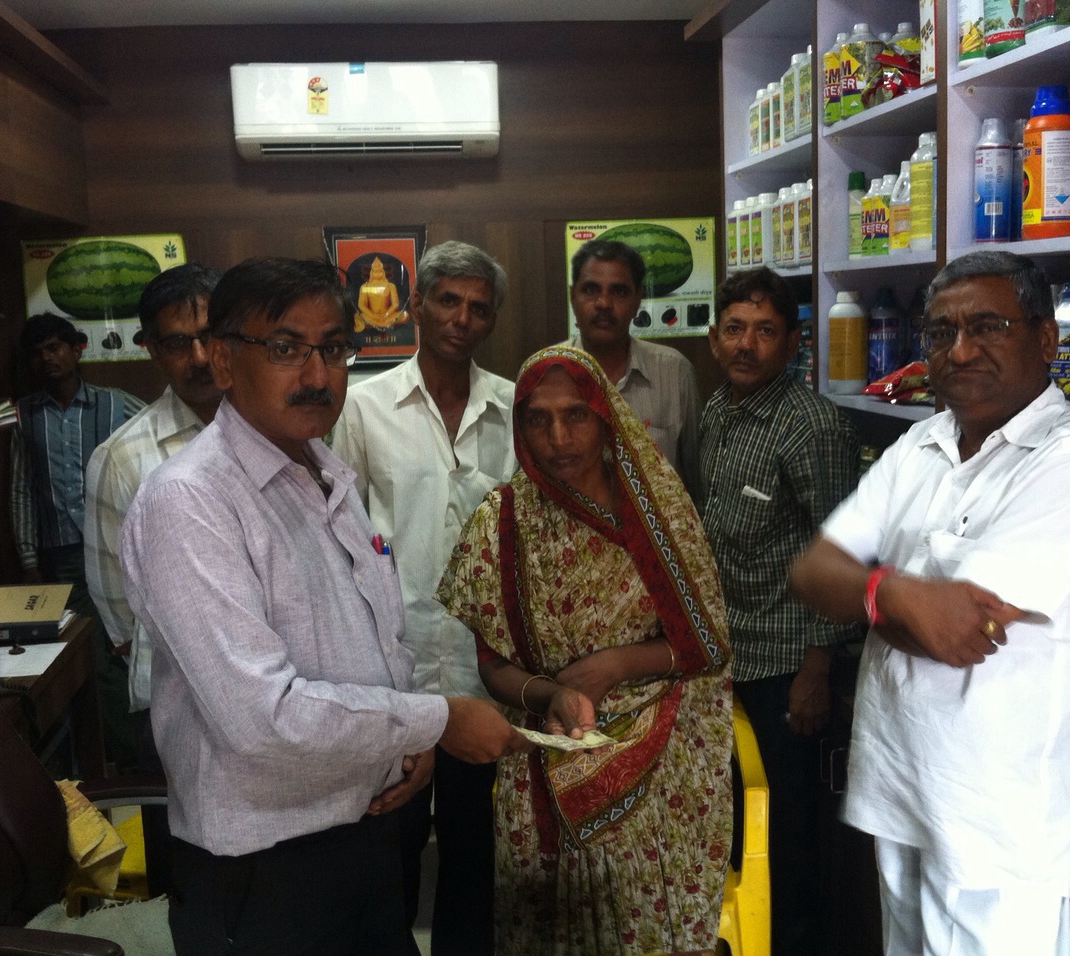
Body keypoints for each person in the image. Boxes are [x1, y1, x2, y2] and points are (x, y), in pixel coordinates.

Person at [118, 257, 530, 956]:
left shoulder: (320, 471)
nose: (317, 375)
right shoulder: (190, 501)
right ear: (224, 360)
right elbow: (263, 720)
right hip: (266, 872)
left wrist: (406, 738)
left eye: (334, 349)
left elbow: (375, 635)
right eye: (285, 349)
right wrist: (433, 720)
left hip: (361, 833)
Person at [789, 251, 1070, 956]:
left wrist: (870, 592)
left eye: (987, 327)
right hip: (902, 791)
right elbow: (812, 573)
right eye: (940, 332)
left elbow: (957, 631)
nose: (958, 351)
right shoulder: (921, 442)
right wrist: (896, 593)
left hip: (1001, 832)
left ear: (1045, 338)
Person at [437, 345, 733, 955]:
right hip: (547, 755)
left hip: (660, 764)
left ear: (605, 417)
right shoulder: (503, 522)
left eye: (575, 415)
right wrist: (552, 694)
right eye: (537, 419)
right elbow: (492, 665)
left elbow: (706, 642)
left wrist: (614, 666)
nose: (558, 437)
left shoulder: (655, 510)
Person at [331, 240, 515, 955]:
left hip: (483, 675)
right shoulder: (364, 407)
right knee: (390, 851)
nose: (462, 319)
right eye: (448, 301)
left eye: (478, 308)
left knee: (474, 858)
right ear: (416, 306)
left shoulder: (513, 407)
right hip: (394, 674)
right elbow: (340, 537)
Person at [700, 267, 860, 956]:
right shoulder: (717, 411)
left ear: (794, 343)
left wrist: (817, 670)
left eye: (766, 331)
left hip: (788, 671)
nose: (747, 344)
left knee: (789, 841)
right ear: (715, 339)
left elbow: (843, 553)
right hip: (728, 659)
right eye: (735, 328)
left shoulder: (812, 426)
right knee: (741, 833)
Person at [84, 262, 222, 893]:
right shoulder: (123, 458)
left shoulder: (281, 433)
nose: (200, 357)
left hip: (278, 689)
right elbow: (116, 603)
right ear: (151, 349)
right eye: (177, 343)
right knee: (186, 865)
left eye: (209, 335)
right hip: (176, 697)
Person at [10, 312, 145, 770]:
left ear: (76, 349)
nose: (47, 359)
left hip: (116, 550)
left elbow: (160, 435)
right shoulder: (25, 415)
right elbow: (22, 490)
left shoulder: (115, 404)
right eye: (37, 353)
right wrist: (29, 561)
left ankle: (140, 755)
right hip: (61, 559)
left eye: (54, 347)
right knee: (87, 659)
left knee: (126, 648)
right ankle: (122, 760)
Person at [567, 239, 702, 500]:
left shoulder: (675, 372)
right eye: (591, 289)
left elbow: (696, 483)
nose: (604, 303)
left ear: (638, 300)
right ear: (573, 297)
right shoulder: (547, 373)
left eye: (618, 291)